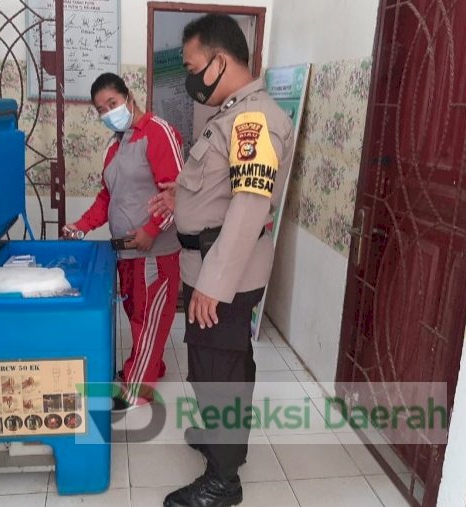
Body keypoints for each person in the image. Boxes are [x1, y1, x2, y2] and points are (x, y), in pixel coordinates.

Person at [148, 14, 295, 507]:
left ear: (219, 61)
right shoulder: (232, 114)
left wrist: (214, 284)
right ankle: (223, 441)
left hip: (224, 271)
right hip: (211, 263)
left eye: (193, 67)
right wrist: (181, 197)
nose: (191, 78)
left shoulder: (253, 120)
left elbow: (249, 205)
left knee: (218, 372)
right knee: (221, 363)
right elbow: (220, 188)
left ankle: (223, 481)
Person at [63, 73, 183, 412]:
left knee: (148, 319)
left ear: (129, 97)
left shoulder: (157, 132)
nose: (107, 113)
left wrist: (152, 229)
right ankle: (150, 366)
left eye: (111, 104)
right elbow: (108, 197)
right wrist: (81, 226)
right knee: (136, 315)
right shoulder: (115, 145)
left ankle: (137, 388)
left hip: (154, 251)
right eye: (100, 109)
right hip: (125, 251)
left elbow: (178, 193)